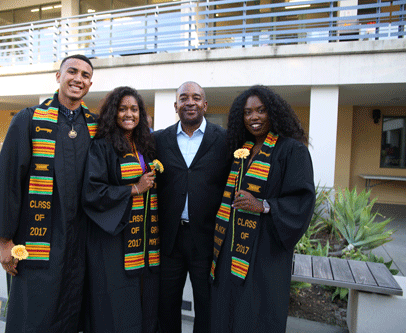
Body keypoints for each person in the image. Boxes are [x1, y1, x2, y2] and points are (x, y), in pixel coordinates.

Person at [0, 54, 96, 333]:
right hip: (37, 237)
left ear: (90, 83)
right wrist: (4, 241)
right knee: (33, 310)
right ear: (58, 76)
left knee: (73, 309)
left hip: (81, 238)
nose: (78, 79)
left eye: (85, 75)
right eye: (72, 72)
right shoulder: (28, 120)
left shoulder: (95, 126)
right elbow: (8, 180)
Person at [209, 85, 315, 333]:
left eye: (261, 110)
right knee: (227, 308)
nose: (253, 117)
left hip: (266, 250)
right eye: (247, 113)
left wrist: (264, 205)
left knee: (257, 312)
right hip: (231, 246)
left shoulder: (292, 150)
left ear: (274, 113)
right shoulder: (241, 152)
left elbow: (302, 200)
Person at [154, 81, 230, 333]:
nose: (190, 102)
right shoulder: (159, 140)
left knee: (207, 304)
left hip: (207, 239)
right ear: (175, 105)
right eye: (184, 98)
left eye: (196, 97)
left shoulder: (224, 141)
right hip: (169, 240)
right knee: (166, 305)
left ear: (205, 105)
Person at [82, 86, 159, 333]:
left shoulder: (143, 144)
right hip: (114, 238)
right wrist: (135, 189)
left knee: (142, 299)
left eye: (134, 109)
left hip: (144, 238)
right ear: (112, 113)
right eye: (123, 109)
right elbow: (93, 191)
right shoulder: (102, 146)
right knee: (116, 302)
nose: (129, 114)